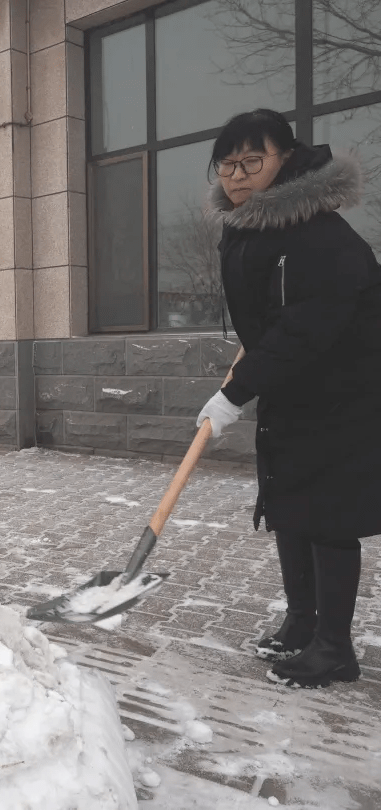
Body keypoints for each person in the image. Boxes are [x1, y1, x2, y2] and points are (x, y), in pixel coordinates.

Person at [198, 109, 381, 688]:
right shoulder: (252, 229)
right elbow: (273, 323)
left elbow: (305, 328)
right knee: (291, 506)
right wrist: (252, 363)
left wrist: (236, 392)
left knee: (327, 516)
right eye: (228, 163)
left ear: (289, 160)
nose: (238, 174)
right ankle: (303, 623)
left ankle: (335, 649)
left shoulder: (317, 234)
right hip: (294, 389)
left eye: (254, 160)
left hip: (342, 392)